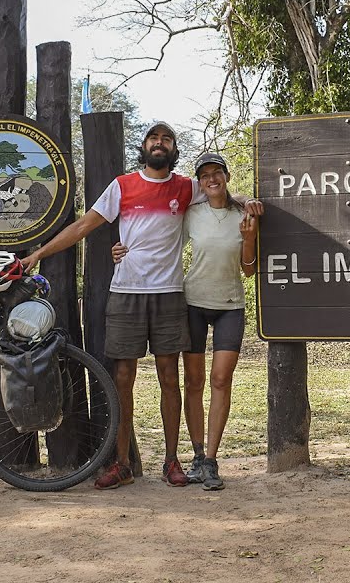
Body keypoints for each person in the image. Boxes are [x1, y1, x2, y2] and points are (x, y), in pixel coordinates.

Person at [19, 123, 261, 490]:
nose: (159, 143)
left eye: (166, 139)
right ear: (144, 147)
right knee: (122, 380)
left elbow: (221, 191)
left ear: (173, 149)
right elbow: (84, 225)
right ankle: (122, 463)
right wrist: (38, 253)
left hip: (169, 295)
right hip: (126, 293)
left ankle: (172, 461)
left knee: (169, 378)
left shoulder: (186, 187)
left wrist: (246, 200)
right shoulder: (122, 186)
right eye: (153, 138)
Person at [113, 151, 256, 491]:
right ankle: (195, 454)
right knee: (194, 381)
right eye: (204, 175)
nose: (211, 179)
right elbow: (156, 235)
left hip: (230, 306)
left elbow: (249, 269)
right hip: (191, 302)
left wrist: (249, 236)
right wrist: (122, 250)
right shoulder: (190, 213)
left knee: (221, 379)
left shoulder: (245, 214)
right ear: (200, 182)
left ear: (226, 176)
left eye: (216, 173)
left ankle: (211, 460)